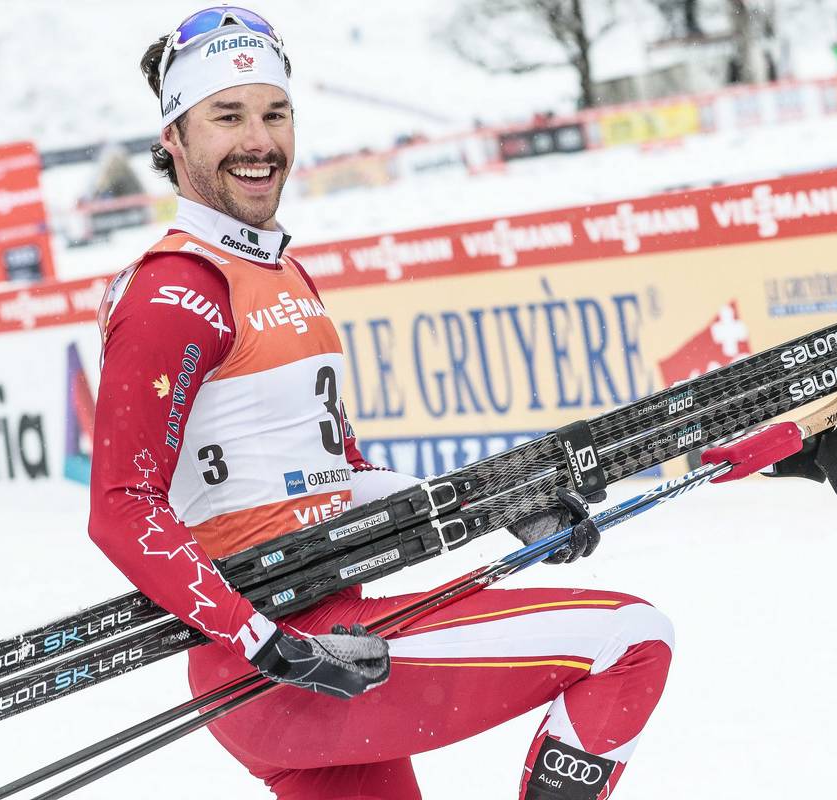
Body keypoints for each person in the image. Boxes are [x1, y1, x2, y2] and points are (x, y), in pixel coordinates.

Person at [87, 7, 673, 799]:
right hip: (284, 663)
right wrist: (264, 642)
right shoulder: (175, 291)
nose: (258, 141)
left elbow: (342, 476)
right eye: (227, 117)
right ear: (175, 139)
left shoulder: (284, 274)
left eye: (275, 113)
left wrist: (502, 508)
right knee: (629, 639)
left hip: (328, 651)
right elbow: (123, 506)